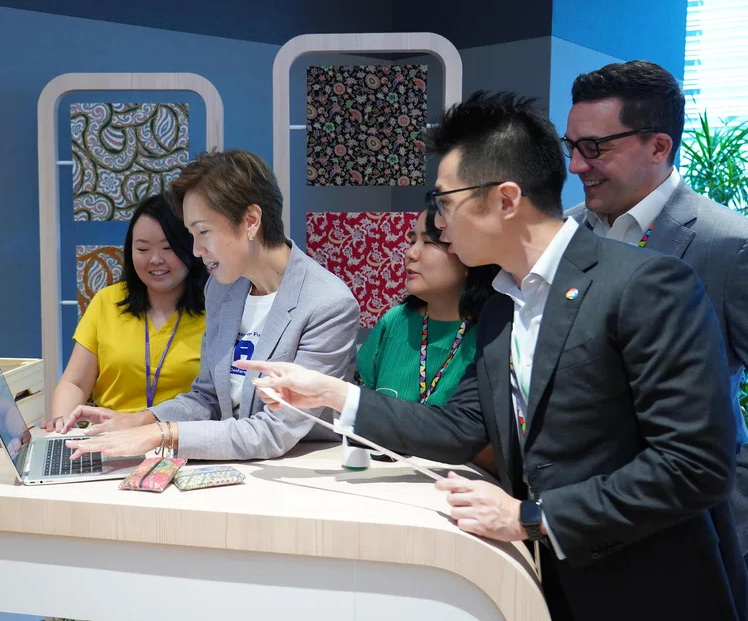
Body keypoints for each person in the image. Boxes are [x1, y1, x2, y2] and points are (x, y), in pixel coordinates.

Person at [238, 92, 748, 620]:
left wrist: (534, 518)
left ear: (506, 200)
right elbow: (463, 425)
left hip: (650, 590)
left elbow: (694, 465)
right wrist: (329, 392)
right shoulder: (503, 304)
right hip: (548, 587)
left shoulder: (645, 285)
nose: (438, 223)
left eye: (444, 201)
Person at [59, 149, 359, 461]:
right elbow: (207, 397)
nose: (196, 250)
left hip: (295, 469)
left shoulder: (327, 304)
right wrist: (141, 420)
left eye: (203, 232)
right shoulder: (222, 289)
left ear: (251, 221)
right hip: (235, 464)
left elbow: (274, 432)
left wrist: (161, 434)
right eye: (192, 234)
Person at [563, 60, 748, 558]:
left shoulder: (729, 246)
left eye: (594, 148)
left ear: (659, 146)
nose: (577, 165)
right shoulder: (563, 234)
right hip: (569, 520)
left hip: (690, 533)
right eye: (571, 146)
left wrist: (734, 509)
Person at [40, 194, 207, 432]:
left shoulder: (216, 309)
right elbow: (75, 382)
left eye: (168, 248)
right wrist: (61, 422)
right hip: (109, 438)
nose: (155, 259)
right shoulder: (108, 301)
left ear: (191, 248)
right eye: (143, 249)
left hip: (182, 440)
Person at [356, 207, 498, 473]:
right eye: (412, 241)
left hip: (460, 487)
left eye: (429, 242)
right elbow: (362, 409)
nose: (410, 253)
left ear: (468, 255)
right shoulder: (395, 321)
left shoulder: (494, 334)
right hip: (381, 481)